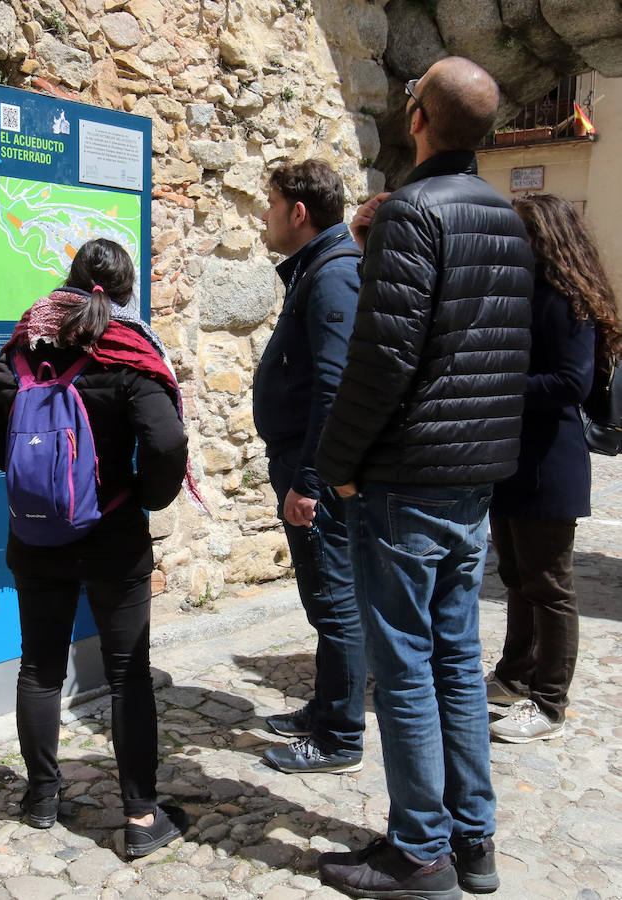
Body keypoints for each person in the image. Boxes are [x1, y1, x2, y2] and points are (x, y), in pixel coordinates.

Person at [315, 58, 534, 898]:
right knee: (453, 660)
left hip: (407, 478)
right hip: (471, 476)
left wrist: (336, 464)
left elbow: (384, 359)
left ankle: (417, 853)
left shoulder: (414, 210)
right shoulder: (503, 216)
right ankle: (471, 841)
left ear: (417, 119)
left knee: (405, 667)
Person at [0, 238, 189, 858]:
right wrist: (145, 497)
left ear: (69, 281)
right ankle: (141, 818)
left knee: (39, 667)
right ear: (127, 290)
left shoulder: (21, 347)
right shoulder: (130, 352)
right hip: (112, 533)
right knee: (127, 674)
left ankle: (42, 799)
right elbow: (166, 441)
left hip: (36, 534)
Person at [487, 194, 622, 743]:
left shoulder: (567, 301)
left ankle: (549, 704)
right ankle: (514, 675)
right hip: (514, 459)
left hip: (549, 462)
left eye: (517, 233)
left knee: (549, 585)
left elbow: (572, 382)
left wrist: (500, 385)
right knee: (517, 577)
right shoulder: (527, 292)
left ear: (543, 237)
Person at [252, 159, 366, 774]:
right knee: (325, 595)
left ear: (299, 212)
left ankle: (340, 738)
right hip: (302, 460)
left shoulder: (333, 273)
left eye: (272, 205)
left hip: (311, 467)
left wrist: (309, 482)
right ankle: (326, 709)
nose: (264, 217)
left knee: (334, 599)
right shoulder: (319, 267)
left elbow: (335, 385)